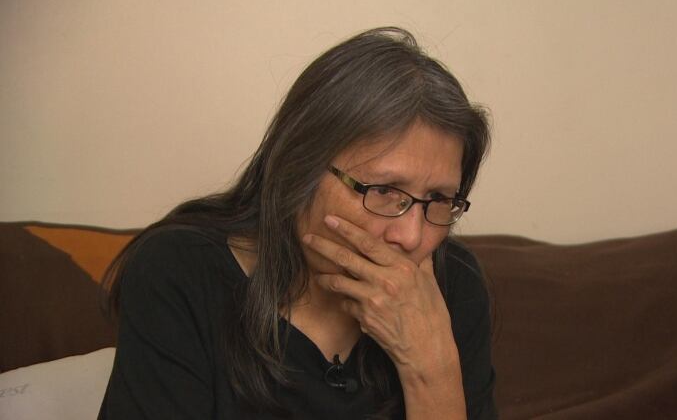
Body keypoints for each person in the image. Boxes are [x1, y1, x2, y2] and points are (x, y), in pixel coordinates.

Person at [99, 27, 496, 419]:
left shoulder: (454, 282)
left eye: (440, 199)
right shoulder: (180, 270)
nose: (412, 236)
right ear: (298, 170)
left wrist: (432, 368)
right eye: (383, 190)